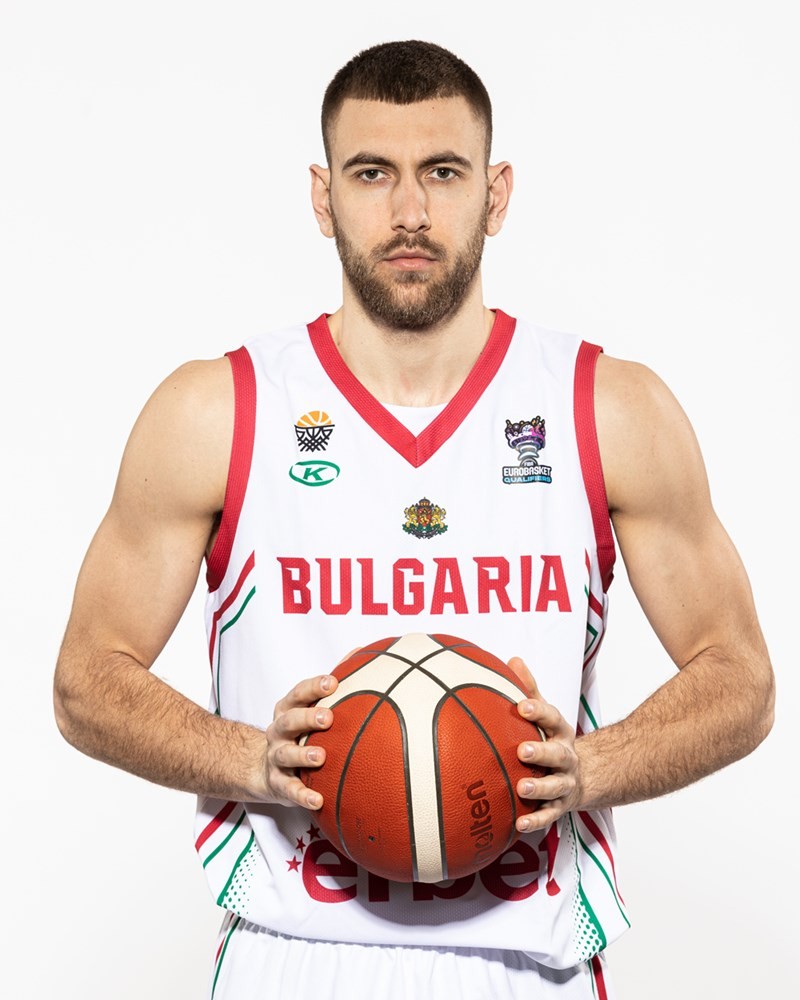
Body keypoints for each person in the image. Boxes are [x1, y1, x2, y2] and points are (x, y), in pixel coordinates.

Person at [53, 39, 774, 1000]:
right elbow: (86, 680)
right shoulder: (218, 410)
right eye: (370, 174)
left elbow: (741, 677)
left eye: (442, 171)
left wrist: (593, 765)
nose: (409, 212)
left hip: (527, 960)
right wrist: (253, 760)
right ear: (322, 198)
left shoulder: (607, 408)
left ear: (496, 193)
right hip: (293, 956)